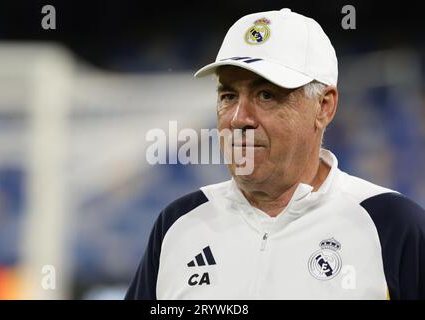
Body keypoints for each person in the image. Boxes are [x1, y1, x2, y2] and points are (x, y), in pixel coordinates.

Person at [125, 8, 425, 300]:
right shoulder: (178, 224)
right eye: (228, 96)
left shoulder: (391, 226)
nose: (239, 118)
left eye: (266, 95)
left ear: (324, 106)